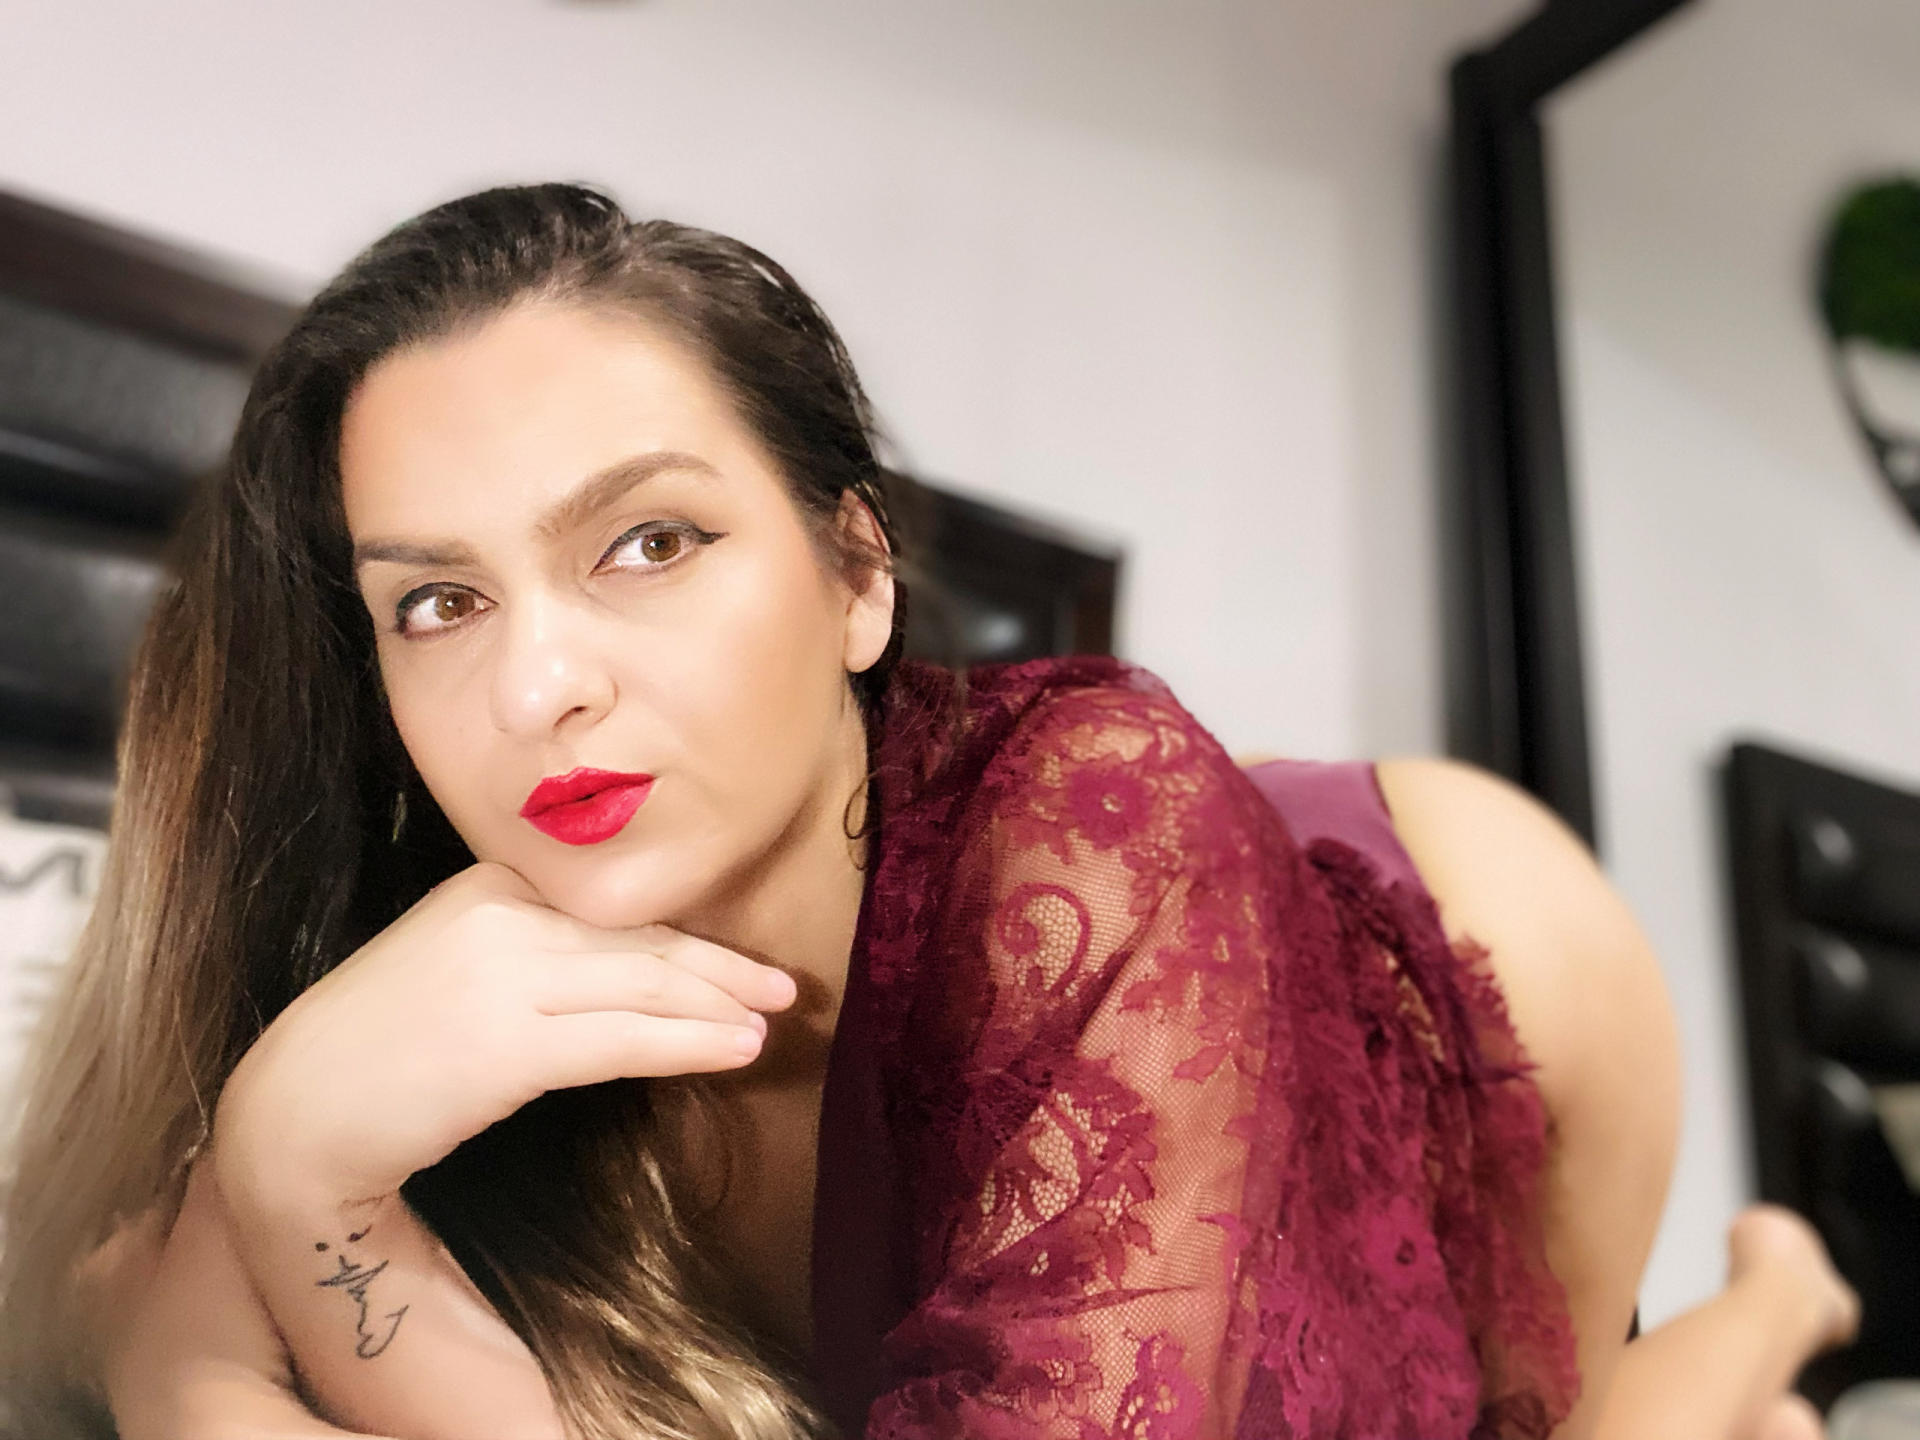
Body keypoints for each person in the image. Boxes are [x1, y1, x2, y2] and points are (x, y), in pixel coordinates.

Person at [0, 185, 1859, 1440]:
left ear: (857, 576)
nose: (534, 686)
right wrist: (289, 1169)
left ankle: (1775, 1301)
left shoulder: (1096, 815)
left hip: (1478, 960)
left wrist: (270, 1261)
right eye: (437, 601)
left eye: (649, 542)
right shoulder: (382, 990)